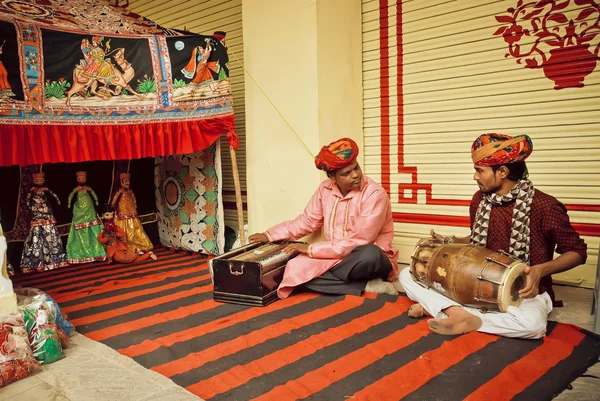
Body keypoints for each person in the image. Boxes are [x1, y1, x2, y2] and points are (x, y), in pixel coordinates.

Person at [399, 133, 587, 339]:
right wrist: (447, 242)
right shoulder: (480, 199)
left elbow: (577, 251)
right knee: (407, 275)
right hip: (471, 282)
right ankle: (457, 313)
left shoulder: (545, 206)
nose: (475, 177)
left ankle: (450, 311)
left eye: (480, 171)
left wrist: (539, 271)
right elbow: (478, 241)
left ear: (503, 172)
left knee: (533, 326)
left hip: (521, 292)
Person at [249, 137, 400, 299]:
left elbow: (361, 239)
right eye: (346, 173)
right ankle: (366, 286)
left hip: (361, 258)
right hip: (334, 258)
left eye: (356, 168)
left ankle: (330, 280)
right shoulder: (325, 189)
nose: (355, 175)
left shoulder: (375, 194)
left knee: (370, 254)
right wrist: (270, 235)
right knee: (293, 270)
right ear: (332, 177)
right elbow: (308, 221)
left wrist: (311, 250)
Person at [20, 172, 69, 273]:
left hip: (46, 213)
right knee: (36, 235)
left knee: (50, 234)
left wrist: (58, 201)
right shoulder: (32, 190)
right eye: (37, 181)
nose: (39, 182)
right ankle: (37, 262)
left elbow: (54, 195)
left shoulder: (45, 189)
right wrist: (29, 206)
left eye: (41, 180)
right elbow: (28, 199)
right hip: (36, 214)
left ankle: (54, 259)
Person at [111, 173, 157, 260]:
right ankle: (128, 248)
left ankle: (140, 248)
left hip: (132, 212)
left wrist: (135, 205)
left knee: (136, 229)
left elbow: (134, 199)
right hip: (123, 212)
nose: (127, 183)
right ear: (121, 182)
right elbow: (114, 200)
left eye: (128, 181)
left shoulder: (130, 191)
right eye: (125, 181)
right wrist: (112, 206)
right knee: (125, 230)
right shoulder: (120, 191)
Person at [66, 171, 107, 264]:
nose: (82, 180)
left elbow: (93, 194)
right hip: (79, 209)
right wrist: (69, 203)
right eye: (80, 179)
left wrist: (96, 201)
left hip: (89, 207)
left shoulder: (88, 188)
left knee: (93, 224)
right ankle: (82, 251)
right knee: (81, 226)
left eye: (83, 178)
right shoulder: (76, 189)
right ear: (77, 179)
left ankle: (96, 250)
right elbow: (71, 195)